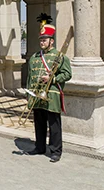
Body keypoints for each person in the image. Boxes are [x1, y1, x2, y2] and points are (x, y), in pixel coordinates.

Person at [26, 14, 72, 163]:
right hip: (38, 95)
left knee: (54, 126)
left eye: (44, 40)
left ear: (51, 41)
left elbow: (67, 74)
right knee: (39, 123)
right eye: (41, 40)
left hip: (52, 95)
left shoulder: (59, 56)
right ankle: (39, 147)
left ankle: (55, 151)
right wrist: (29, 96)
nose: (42, 42)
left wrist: (52, 79)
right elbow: (29, 77)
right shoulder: (34, 57)